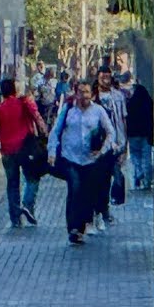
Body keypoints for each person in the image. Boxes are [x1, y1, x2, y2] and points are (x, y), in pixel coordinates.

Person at [49, 79, 116, 245]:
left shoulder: (98, 111)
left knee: (86, 193)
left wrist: (102, 150)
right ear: (76, 93)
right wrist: (51, 152)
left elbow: (110, 132)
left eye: (87, 92)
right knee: (75, 187)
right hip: (70, 158)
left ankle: (80, 228)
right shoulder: (68, 110)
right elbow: (55, 132)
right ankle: (72, 228)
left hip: (90, 161)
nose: (84, 96)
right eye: (81, 92)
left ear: (91, 94)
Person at [0, 78, 48, 228]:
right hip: (25, 149)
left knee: (12, 184)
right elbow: (38, 119)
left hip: (7, 152)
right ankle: (27, 204)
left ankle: (15, 219)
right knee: (32, 178)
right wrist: (45, 136)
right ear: (14, 89)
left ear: (2, 92)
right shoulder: (24, 102)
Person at [94, 66, 128, 214]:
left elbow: (123, 120)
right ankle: (101, 209)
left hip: (115, 143)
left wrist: (124, 145)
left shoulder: (118, 96)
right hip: (98, 143)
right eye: (103, 77)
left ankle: (106, 206)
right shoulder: (93, 97)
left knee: (114, 174)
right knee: (100, 178)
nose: (106, 80)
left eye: (108, 77)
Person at [122, 71, 154, 192]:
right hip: (146, 135)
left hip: (132, 134)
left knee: (135, 156)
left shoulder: (130, 104)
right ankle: (146, 181)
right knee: (146, 157)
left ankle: (138, 173)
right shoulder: (148, 103)